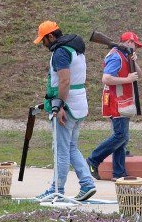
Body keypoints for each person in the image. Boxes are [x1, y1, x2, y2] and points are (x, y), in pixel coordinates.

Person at [33, 21, 97, 201]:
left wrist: (59, 105)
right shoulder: (74, 49)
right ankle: (87, 183)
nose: (43, 44)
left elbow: (64, 81)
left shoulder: (60, 52)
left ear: (51, 36)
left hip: (67, 105)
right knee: (71, 147)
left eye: (43, 40)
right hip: (78, 103)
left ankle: (57, 190)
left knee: (61, 150)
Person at [87, 31, 142, 181]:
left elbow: (139, 74)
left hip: (121, 101)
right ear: (129, 42)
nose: (136, 47)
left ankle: (119, 172)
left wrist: (134, 61)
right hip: (115, 100)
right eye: (135, 44)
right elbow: (106, 78)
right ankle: (93, 160)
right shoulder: (116, 56)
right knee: (121, 136)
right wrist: (127, 78)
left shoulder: (124, 55)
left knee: (122, 139)